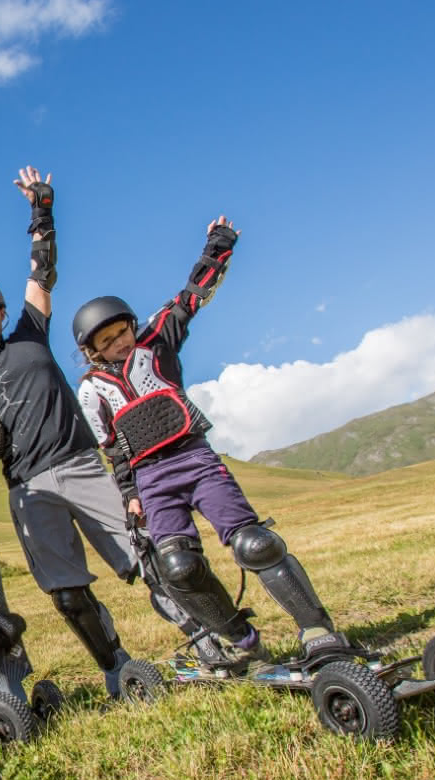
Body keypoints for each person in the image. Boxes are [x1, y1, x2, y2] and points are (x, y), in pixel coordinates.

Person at [72, 217, 348, 660]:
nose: (120, 343)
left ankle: (318, 631)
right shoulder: (90, 390)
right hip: (151, 480)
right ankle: (245, 642)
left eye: (122, 331)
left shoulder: (157, 339)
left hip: (195, 459)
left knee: (253, 542)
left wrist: (218, 244)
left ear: (131, 324)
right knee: (178, 567)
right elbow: (112, 449)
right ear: (93, 351)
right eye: (107, 342)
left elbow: (193, 295)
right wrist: (130, 494)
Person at [0, 166, 154, 697]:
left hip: (81, 464)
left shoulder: (29, 334)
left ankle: (208, 639)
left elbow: (42, 273)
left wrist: (41, 209)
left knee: (150, 558)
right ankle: (117, 669)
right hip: (29, 490)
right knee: (66, 594)